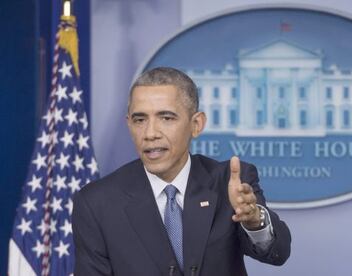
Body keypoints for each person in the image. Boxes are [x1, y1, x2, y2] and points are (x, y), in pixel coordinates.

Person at [72, 67, 291, 276]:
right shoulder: (96, 202)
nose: (150, 133)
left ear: (196, 124)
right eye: (140, 120)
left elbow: (277, 253)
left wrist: (254, 221)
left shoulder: (229, 182)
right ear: (129, 125)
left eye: (166, 118)